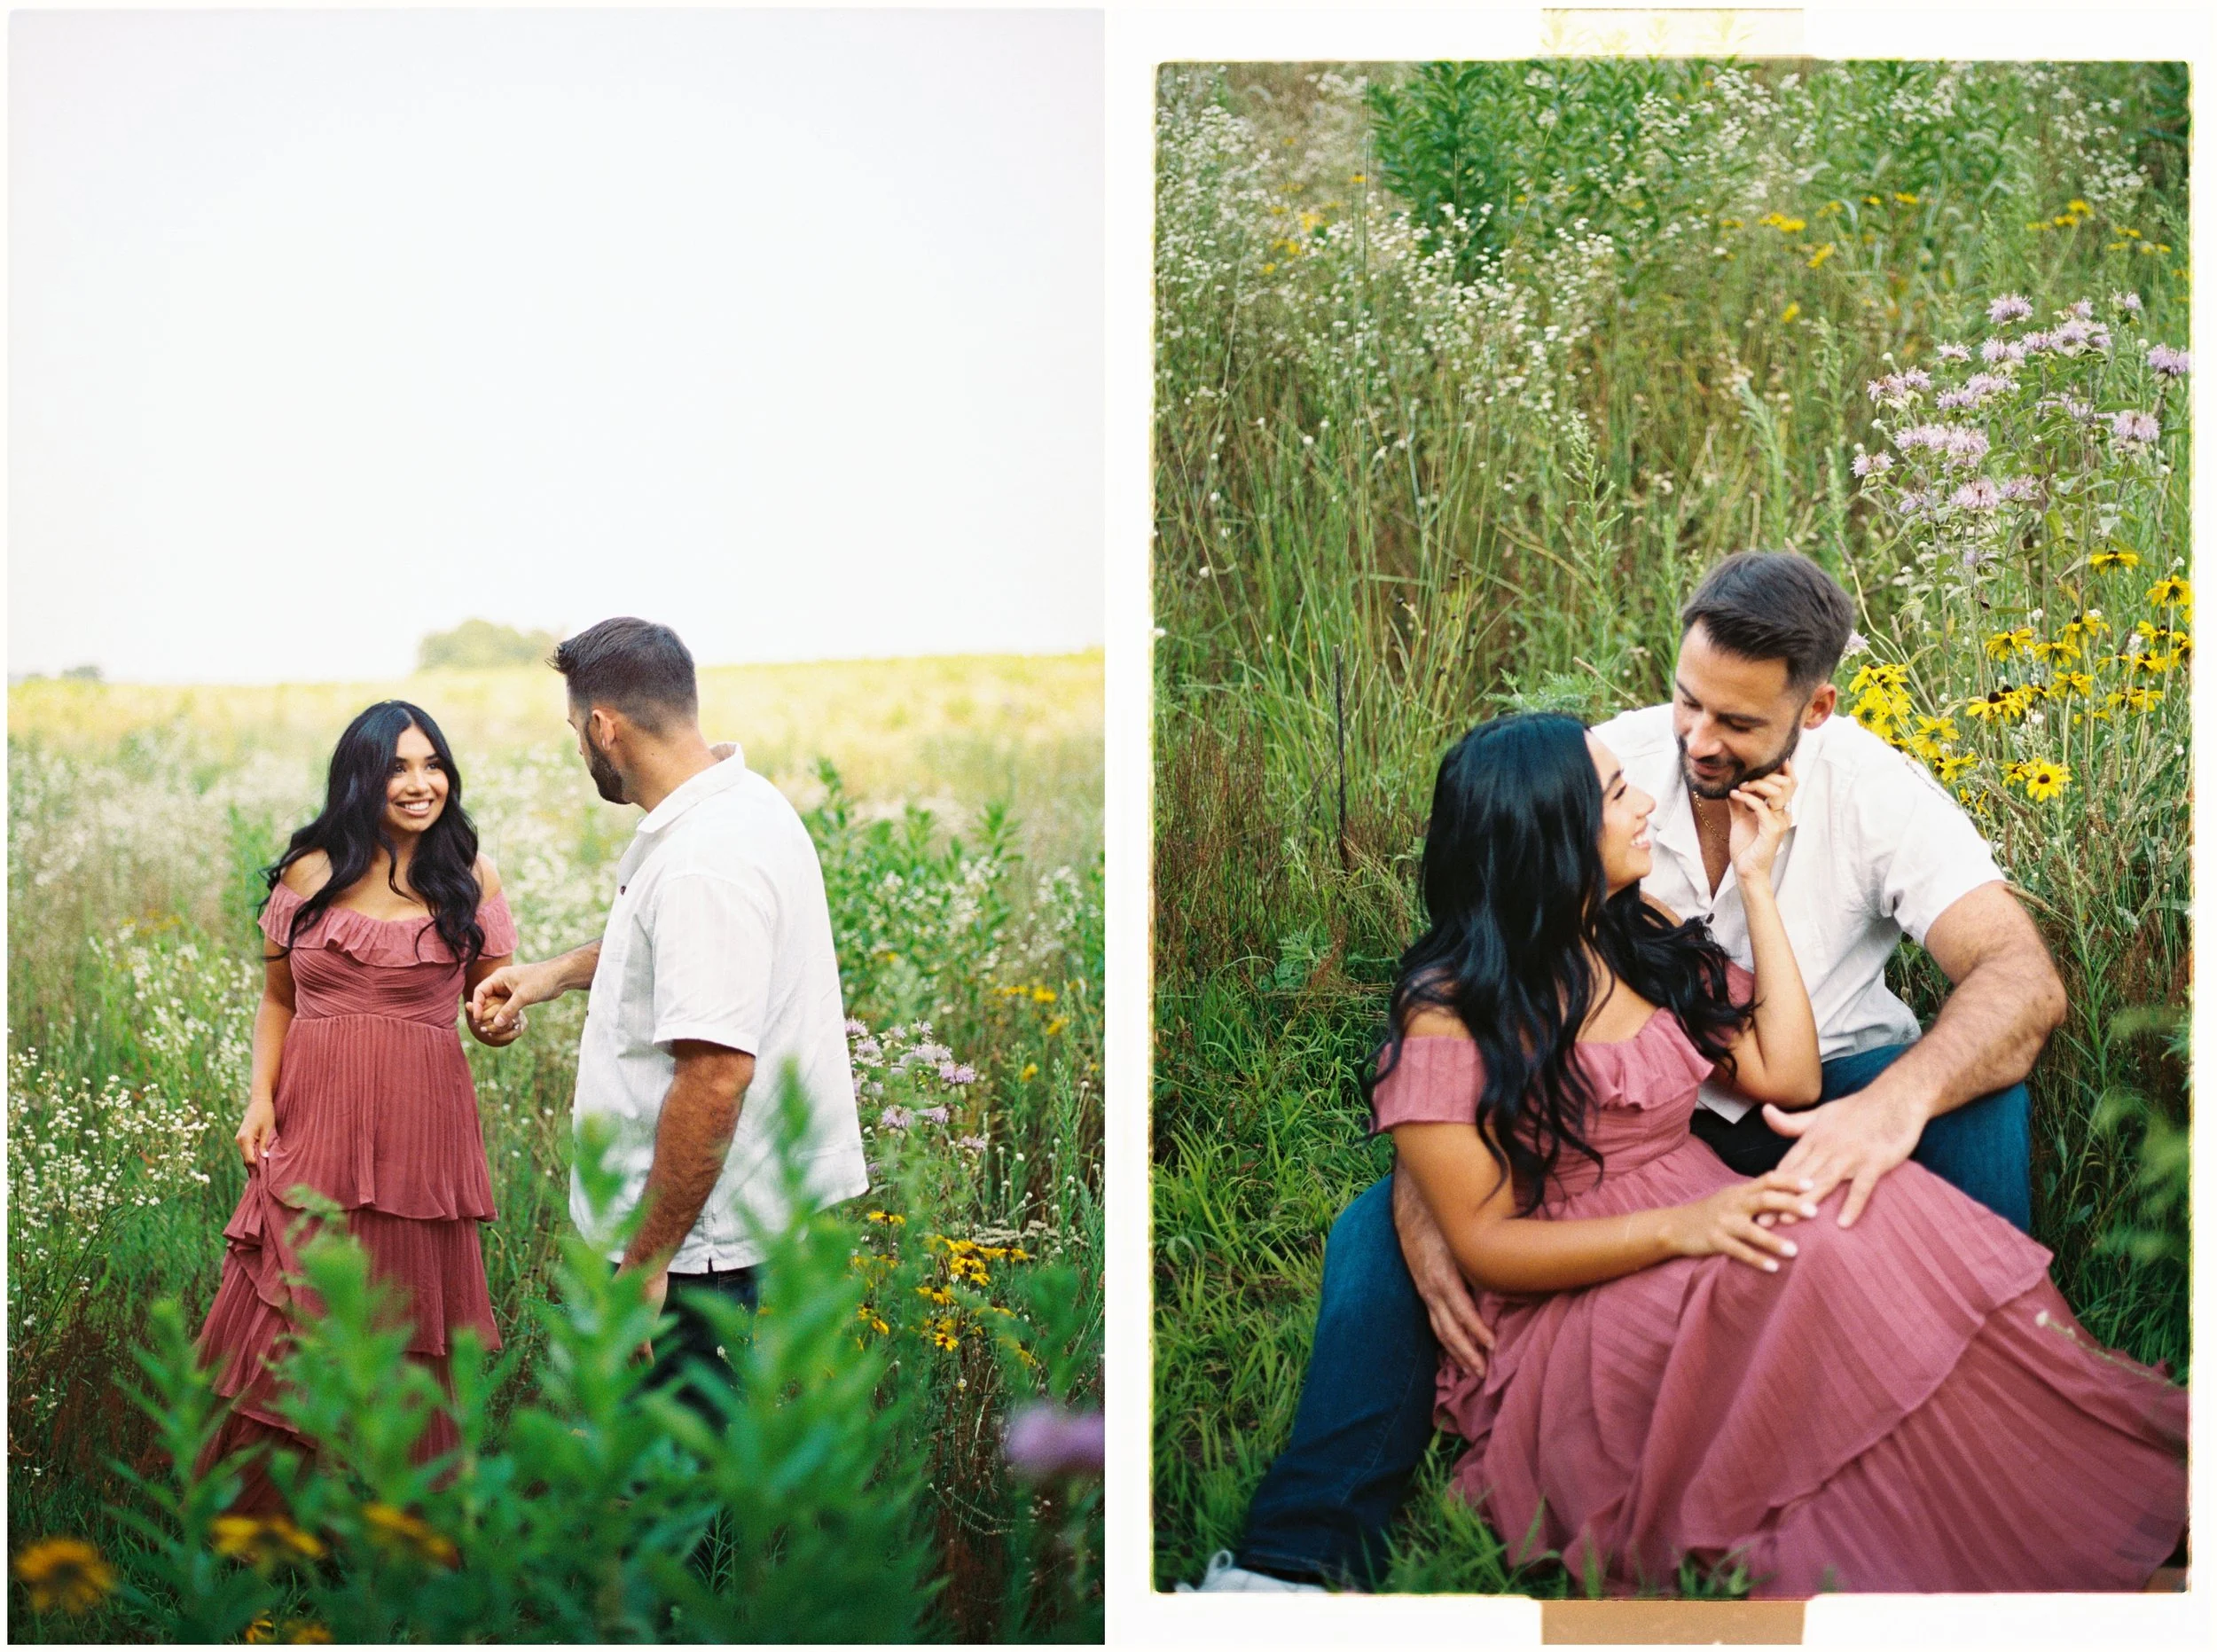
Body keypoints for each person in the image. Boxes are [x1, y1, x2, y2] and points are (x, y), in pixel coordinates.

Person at [1198, 551, 2073, 1592]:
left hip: (1818, 1083)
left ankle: (2004, 1385)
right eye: (1685, 703)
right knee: (1380, 1232)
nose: (1697, 743)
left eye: (1738, 725)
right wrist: (1428, 1186)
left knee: (1972, 1100)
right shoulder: (1588, 772)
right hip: (1608, 1123)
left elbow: (2019, 983)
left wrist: (1893, 1107)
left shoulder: (1879, 793)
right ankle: (1303, 1548)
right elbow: (1483, 966)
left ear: (1818, 707)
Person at [1368, 713, 2184, 1594]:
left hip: (1701, 1216)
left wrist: (1756, 881)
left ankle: (2068, 1493)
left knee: (1883, 1204)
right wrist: (1689, 1227)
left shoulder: (1630, 928)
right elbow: (1489, 1248)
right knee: (1820, 1256)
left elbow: (1787, 1077)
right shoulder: (1448, 1012)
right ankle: (2037, 1559)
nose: (1646, 802)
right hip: (1581, 1294)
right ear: (1548, 833)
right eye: (1613, 794)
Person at [467, 617, 868, 1414]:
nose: (582, 752)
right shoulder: (740, 804)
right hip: (714, 1229)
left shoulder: (702, 863)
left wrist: (646, 1267)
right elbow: (665, 953)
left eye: (578, 733)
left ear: (604, 727)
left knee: (680, 1492)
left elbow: (716, 1075)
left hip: (695, 1251)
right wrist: (549, 974)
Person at [198, 701, 521, 1511]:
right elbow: (278, 1000)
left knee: (405, 1317)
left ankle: (394, 1521)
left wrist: (499, 1023)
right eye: (397, 768)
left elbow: (497, 1007)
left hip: (423, 1134)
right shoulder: (310, 871)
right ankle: (268, 1519)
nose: (419, 784)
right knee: (299, 1303)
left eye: (432, 764)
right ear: (360, 779)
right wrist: (258, 1101)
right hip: (316, 1124)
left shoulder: (469, 876)